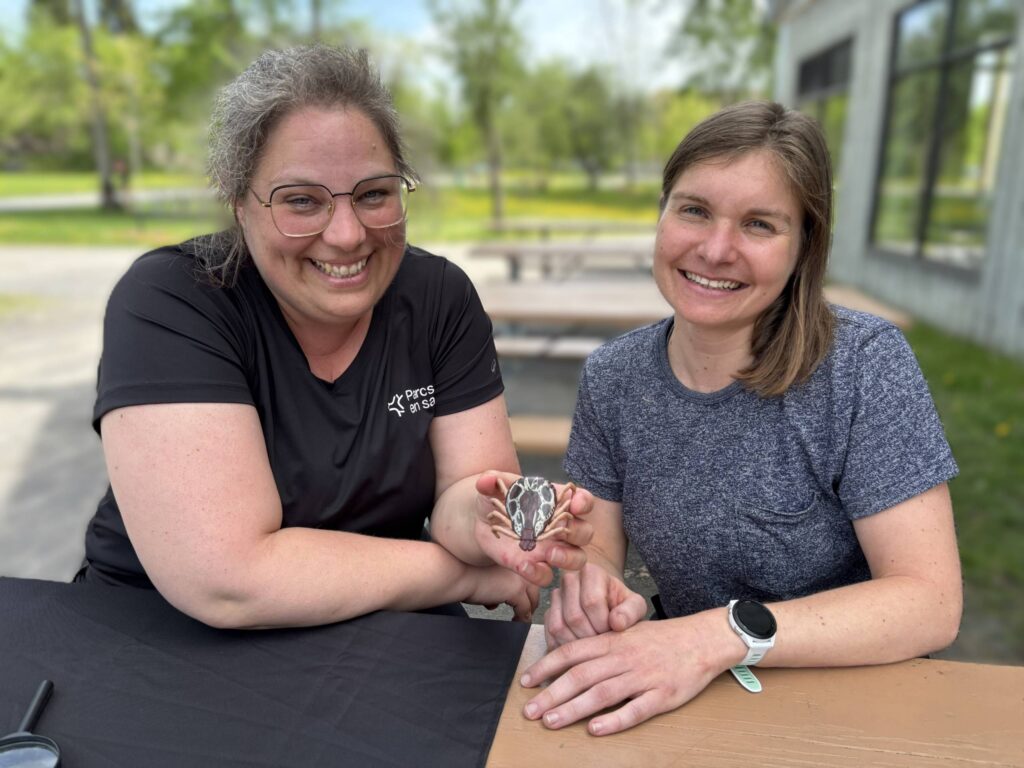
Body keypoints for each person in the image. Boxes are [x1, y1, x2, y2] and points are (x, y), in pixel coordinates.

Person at [76, 44, 593, 628]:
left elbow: (466, 490)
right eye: (302, 201)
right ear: (238, 203)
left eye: (374, 194)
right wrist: (464, 575)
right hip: (160, 641)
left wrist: (485, 520)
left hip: (380, 625)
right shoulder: (175, 299)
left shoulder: (438, 298)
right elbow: (229, 580)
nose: (347, 235)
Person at [520, 101, 962, 735]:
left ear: (805, 246)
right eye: (694, 210)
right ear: (662, 213)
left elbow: (930, 602)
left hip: (857, 696)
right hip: (692, 692)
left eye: (759, 224)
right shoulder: (612, 377)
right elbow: (598, 551)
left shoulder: (863, 365)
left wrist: (714, 636)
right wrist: (591, 594)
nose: (716, 249)